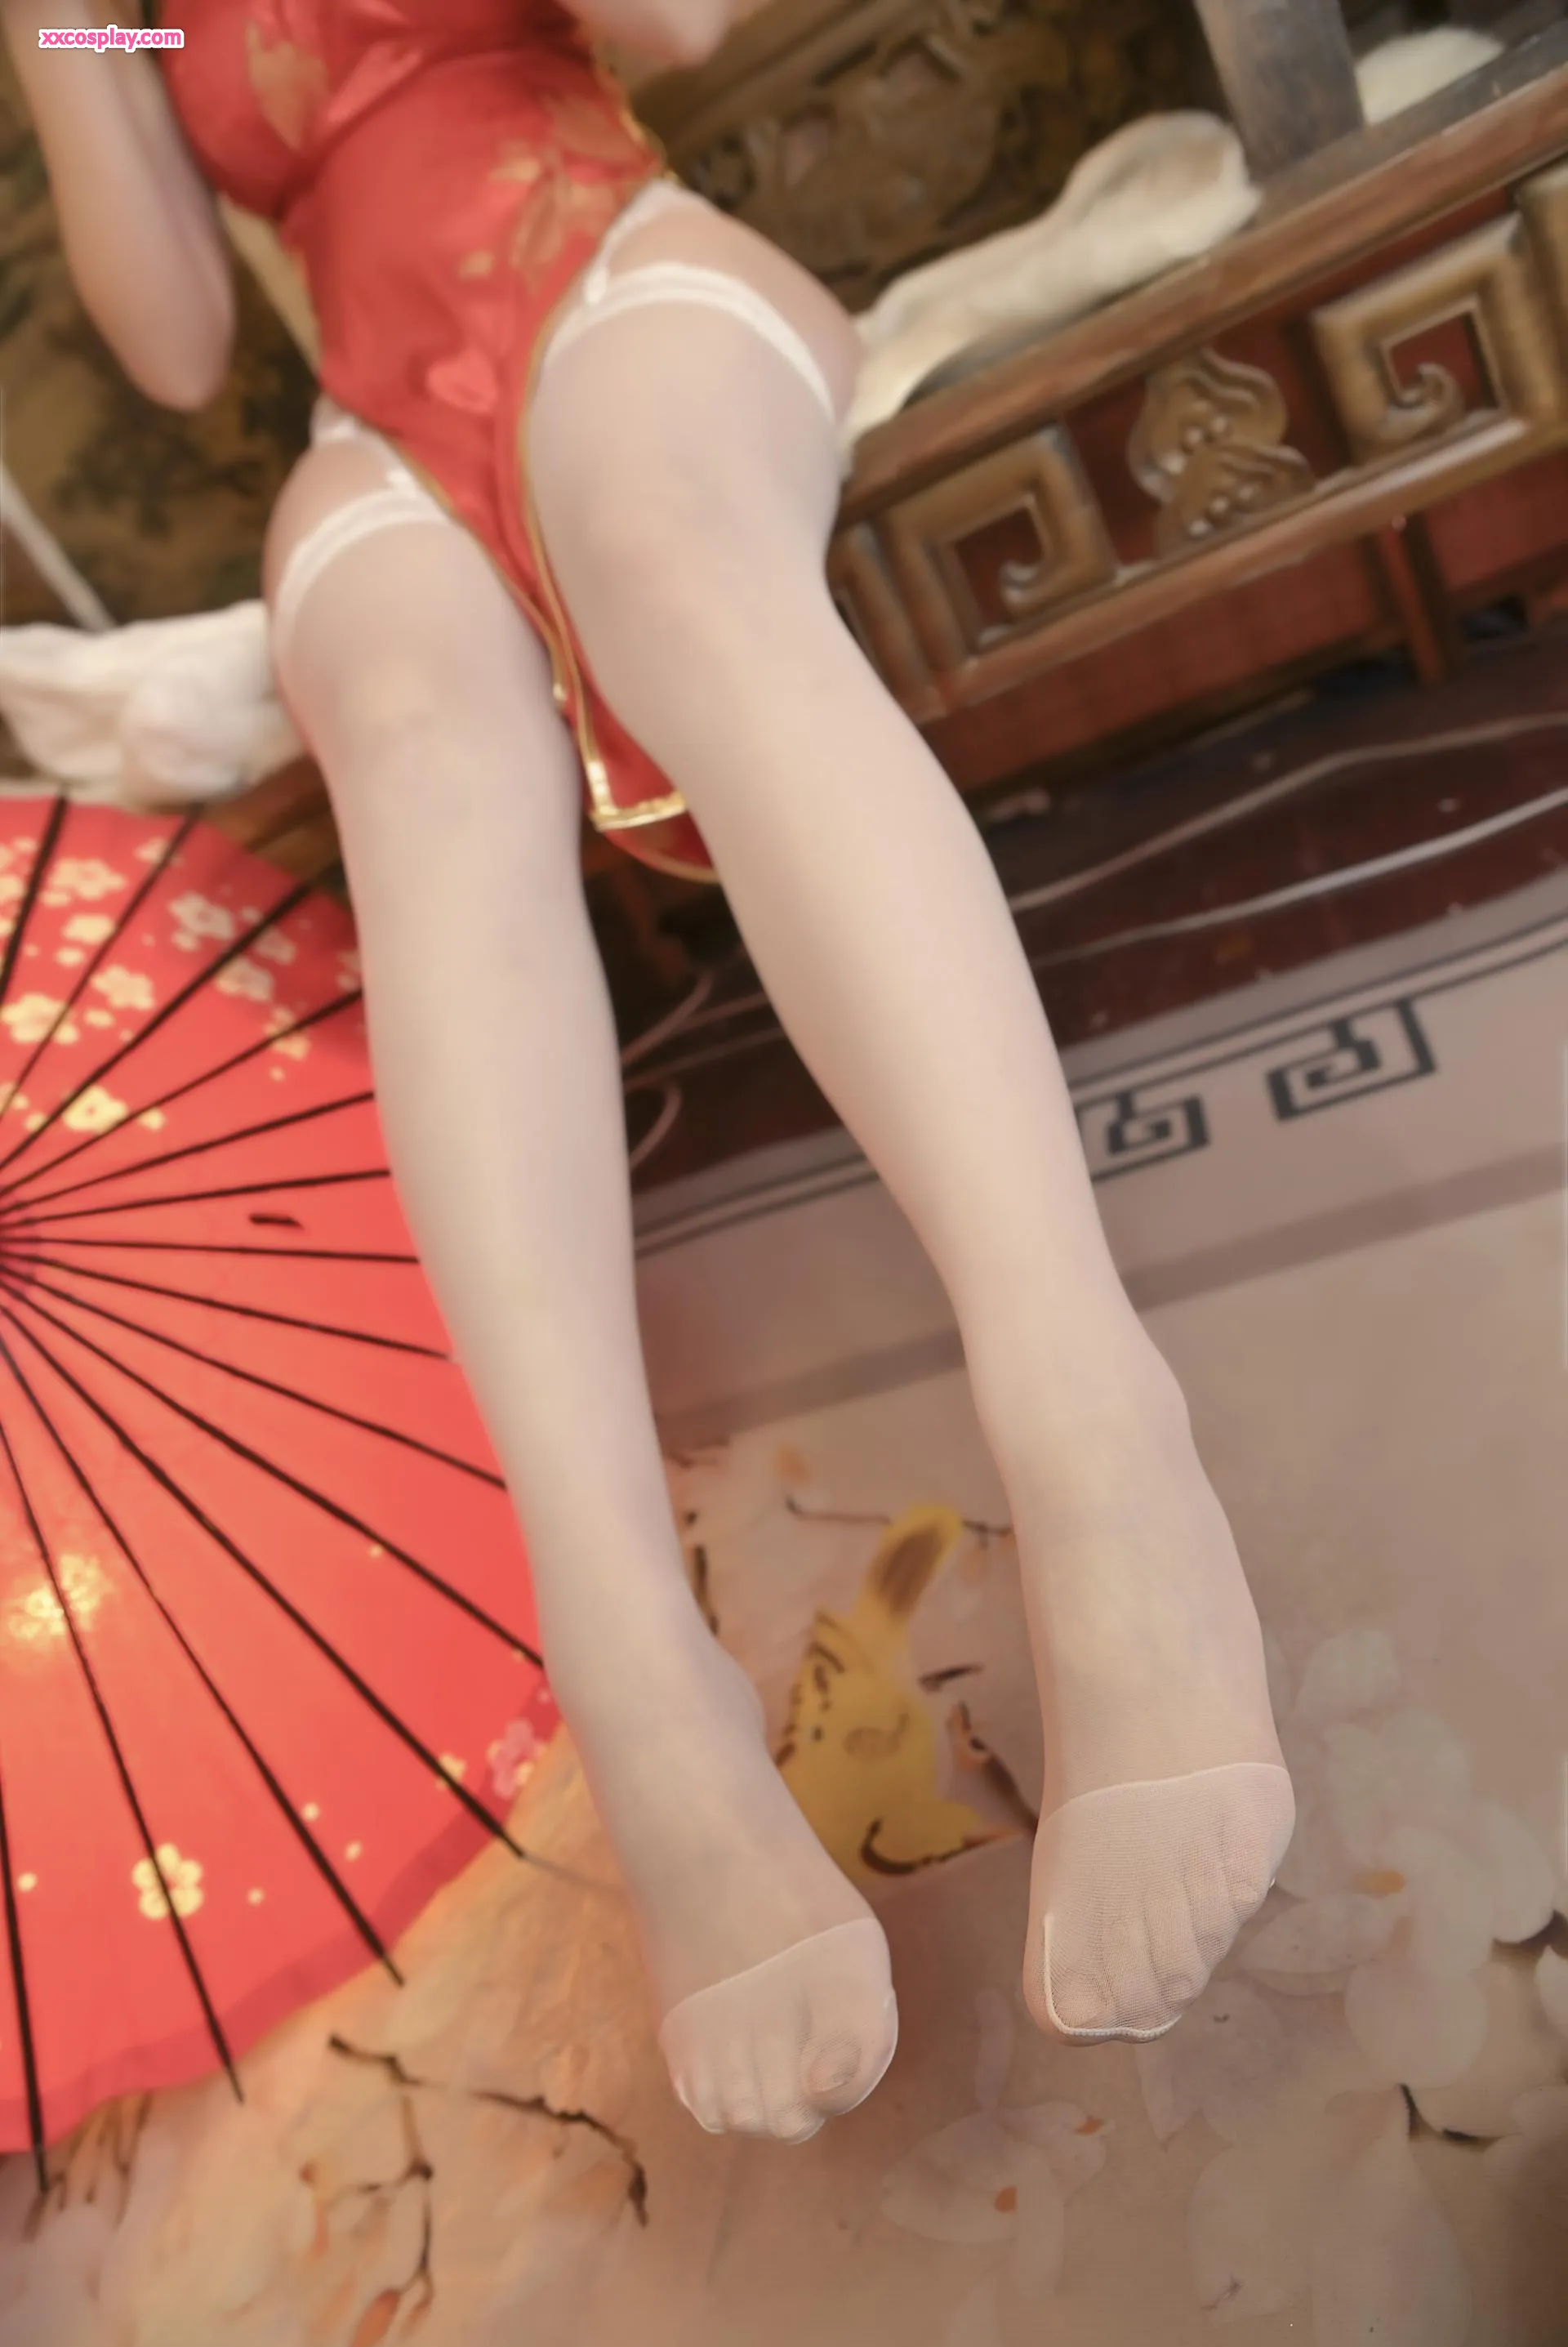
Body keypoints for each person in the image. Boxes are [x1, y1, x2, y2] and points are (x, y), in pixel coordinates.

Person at [4, 0, 1294, 2148]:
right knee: (416, 755)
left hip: (613, 261)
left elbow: (677, 31)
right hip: (367, 425)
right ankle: (630, 1668)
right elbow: (170, 341)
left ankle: (1098, 1439)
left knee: (669, 556)